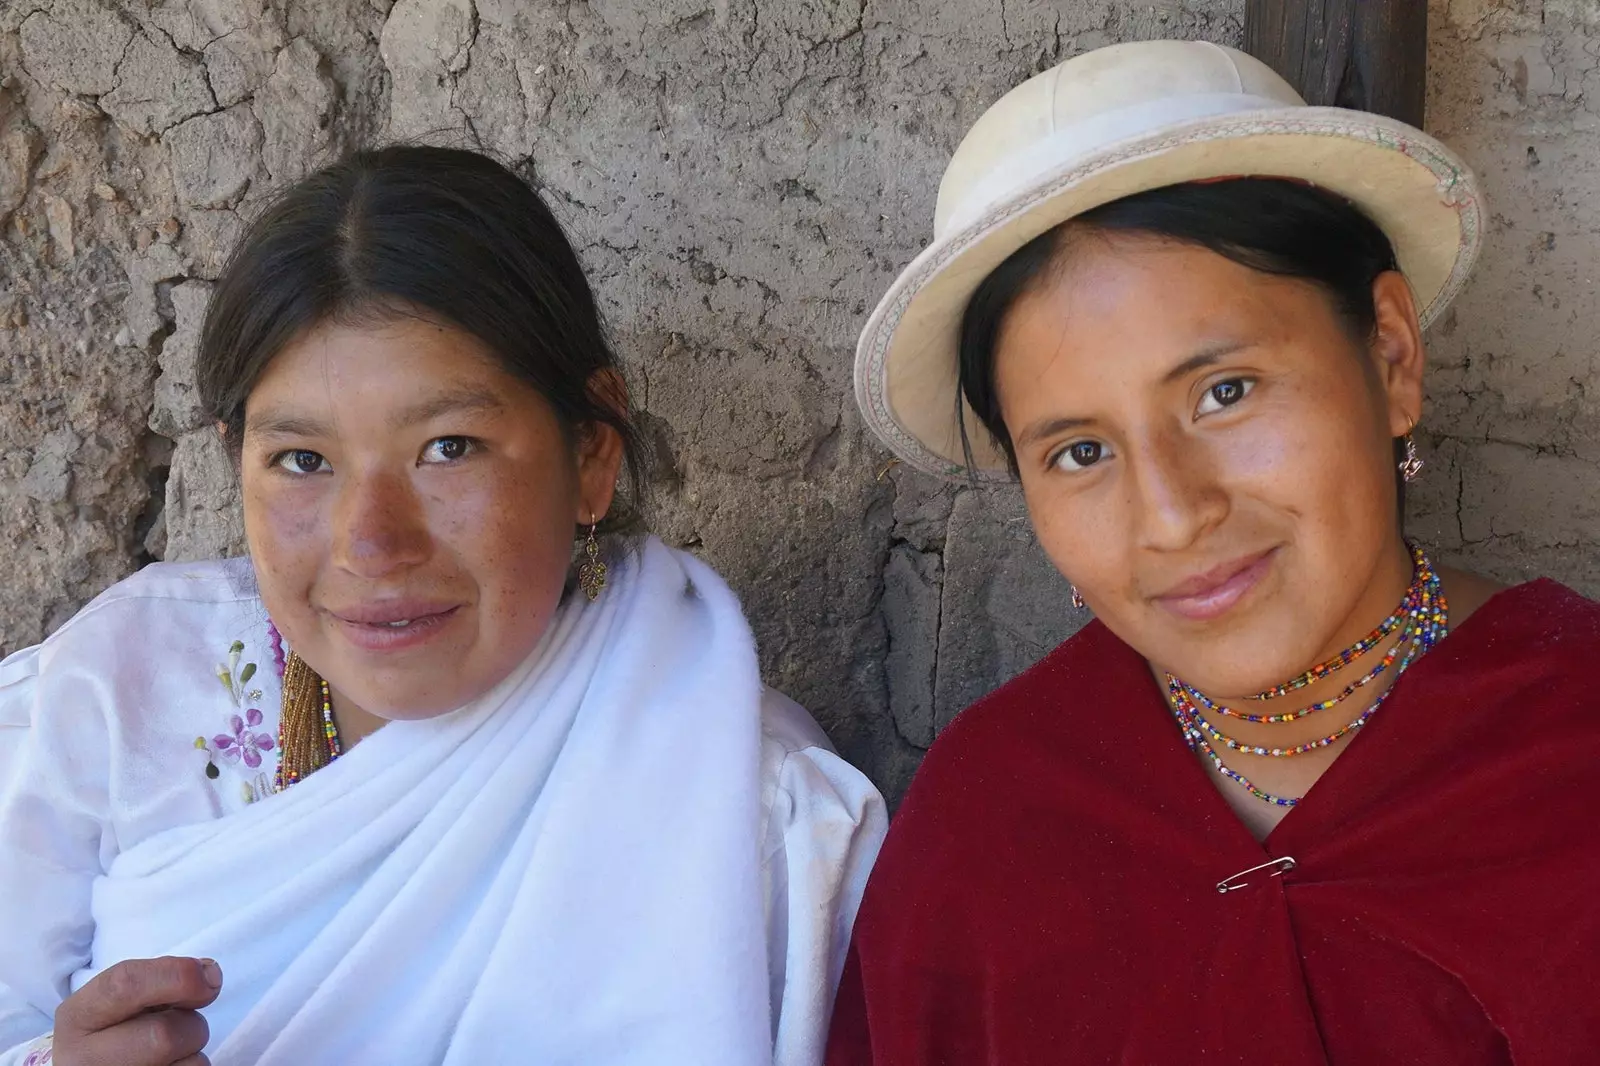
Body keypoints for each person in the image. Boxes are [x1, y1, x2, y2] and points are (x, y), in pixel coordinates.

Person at [0, 145, 886, 1066]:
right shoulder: (111, 699)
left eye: (449, 447)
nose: (371, 544)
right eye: (302, 461)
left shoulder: (744, 809)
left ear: (590, 450)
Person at [828, 39, 1600, 1065]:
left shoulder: (1573, 749)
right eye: (1080, 451)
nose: (1171, 514)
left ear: (1391, 356)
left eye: (1224, 392)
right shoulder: (991, 824)